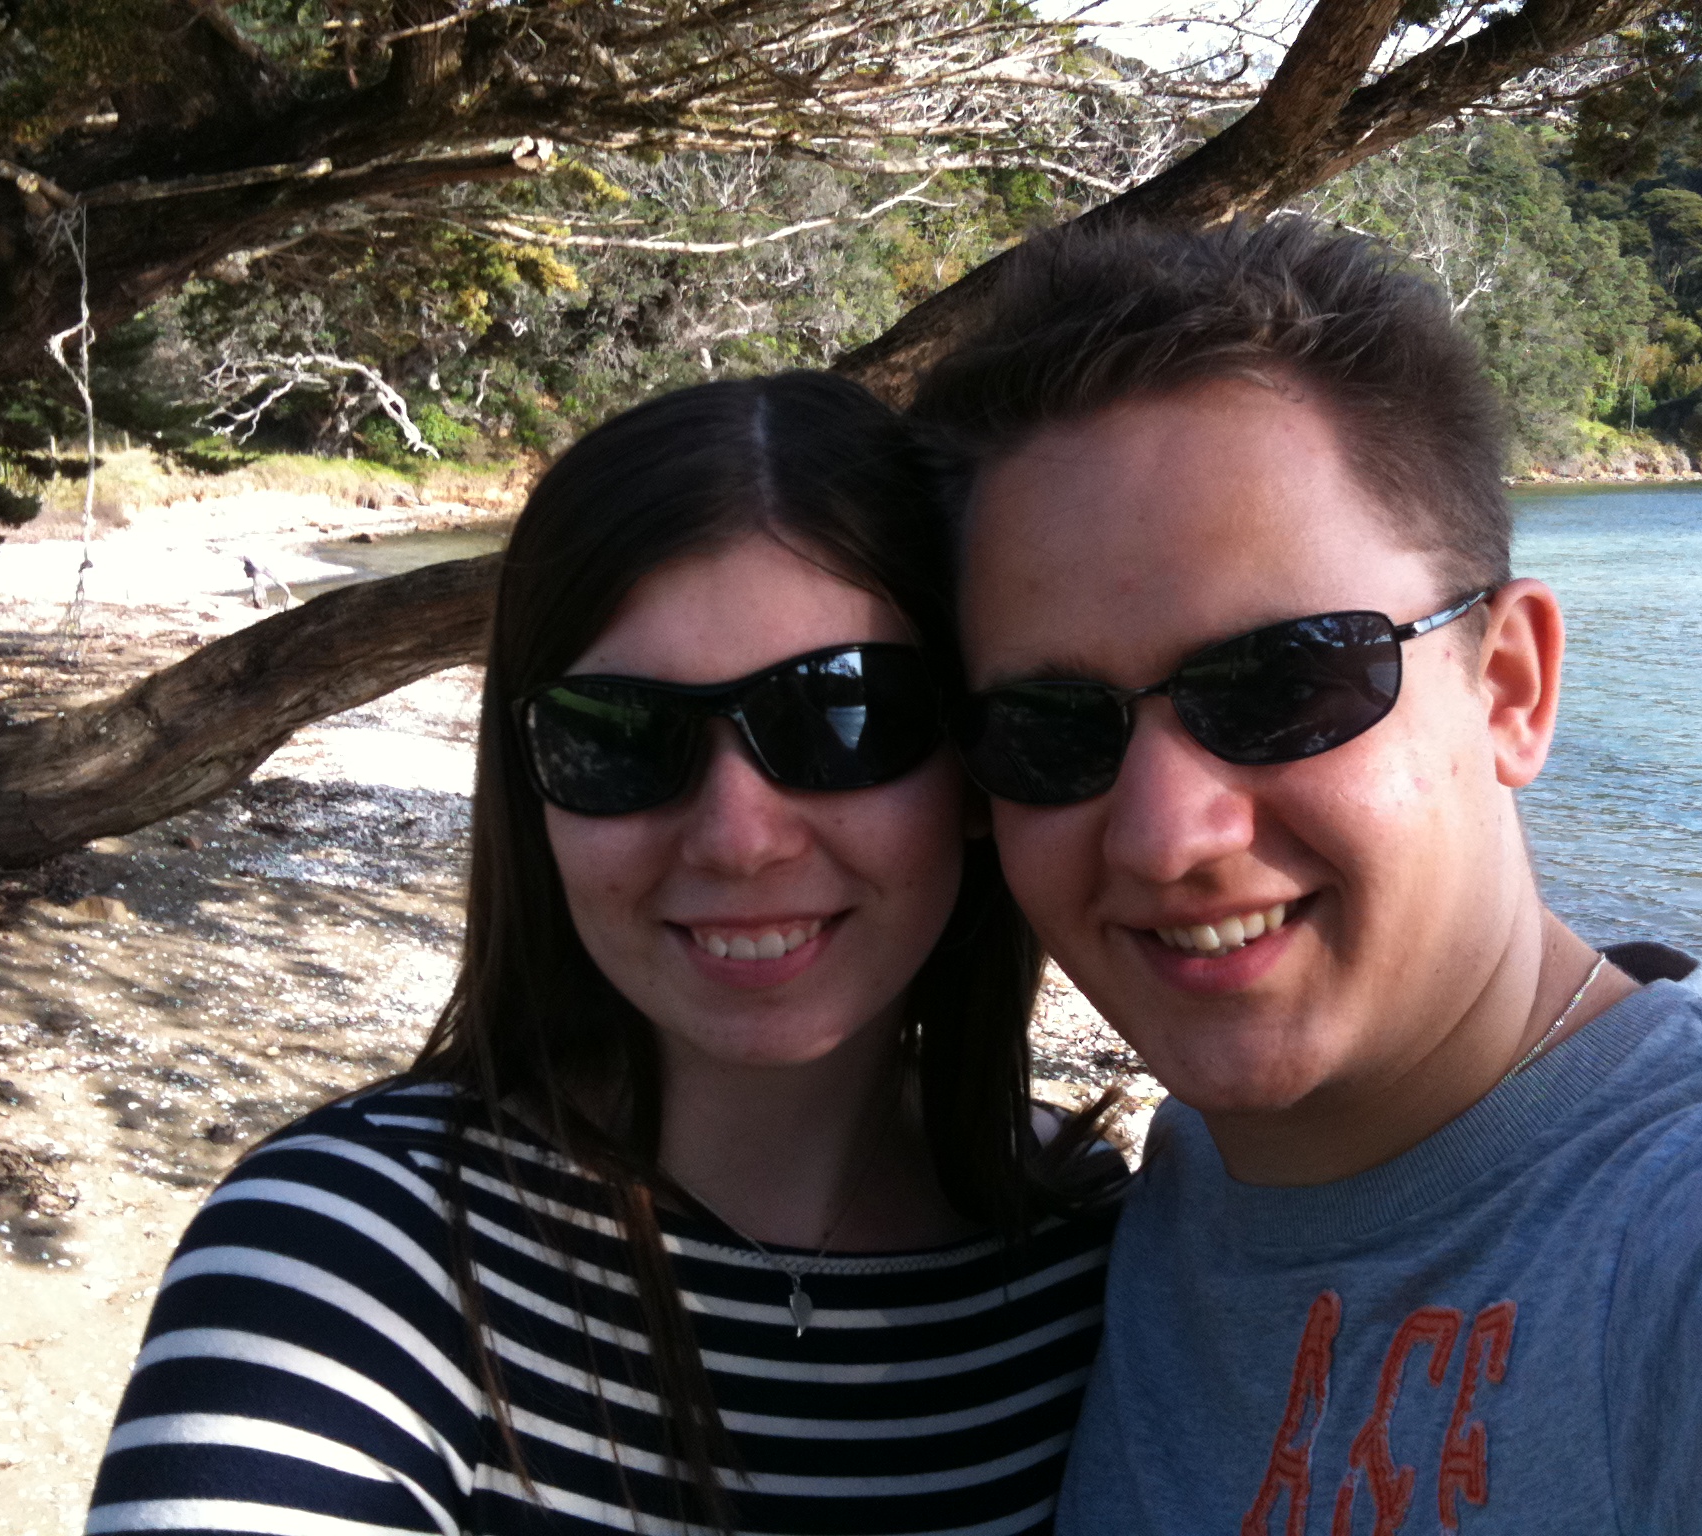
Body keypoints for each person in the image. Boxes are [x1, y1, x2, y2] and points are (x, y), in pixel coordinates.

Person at [913, 221, 1702, 1535]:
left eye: (1281, 684)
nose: (1162, 835)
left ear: (1509, 689)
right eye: (1050, 729)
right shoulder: (1156, 1207)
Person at [87, 373, 1121, 1535]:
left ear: (977, 762)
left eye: (841, 714)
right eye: (618, 736)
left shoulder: (1101, 1256)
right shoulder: (345, 1256)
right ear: (530, 791)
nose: (736, 839)